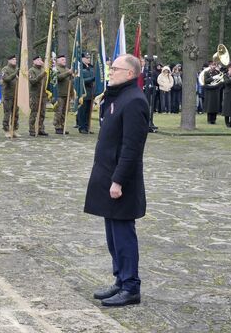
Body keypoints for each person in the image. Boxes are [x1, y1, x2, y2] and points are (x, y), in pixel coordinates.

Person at [84, 54, 148, 307]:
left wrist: (118, 181)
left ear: (130, 74)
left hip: (121, 181)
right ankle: (120, 280)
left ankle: (131, 286)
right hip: (107, 175)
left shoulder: (134, 101)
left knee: (123, 235)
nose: (111, 72)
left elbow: (132, 148)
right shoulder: (119, 97)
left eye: (116, 69)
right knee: (112, 234)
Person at [28, 56, 48, 137]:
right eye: (38, 60)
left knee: (42, 113)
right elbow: (33, 81)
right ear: (34, 61)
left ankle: (40, 128)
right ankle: (32, 129)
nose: (40, 61)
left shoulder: (43, 69)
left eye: (41, 60)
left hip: (43, 94)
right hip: (35, 95)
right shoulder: (31, 70)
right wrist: (42, 75)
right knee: (34, 112)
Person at [54, 54, 73, 134]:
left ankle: (62, 126)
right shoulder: (55, 69)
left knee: (65, 111)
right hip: (59, 94)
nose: (64, 61)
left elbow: (70, 81)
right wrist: (68, 73)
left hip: (67, 94)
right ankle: (57, 127)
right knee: (59, 111)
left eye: (65, 60)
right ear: (57, 61)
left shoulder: (67, 69)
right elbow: (58, 78)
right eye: (62, 60)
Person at [77, 53, 95, 134]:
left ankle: (87, 127)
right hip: (83, 93)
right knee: (82, 111)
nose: (88, 59)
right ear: (82, 59)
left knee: (88, 111)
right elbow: (80, 81)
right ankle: (82, 127)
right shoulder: (79, 68)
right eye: (87, 57)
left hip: (91, 92)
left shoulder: (91, 68)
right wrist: (92, 79)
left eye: (89, 57)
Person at [1, 55, 19, 138]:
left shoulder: (16, 69)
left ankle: (14, 129)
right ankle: (6, 130)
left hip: (15, 95)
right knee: (7, 113)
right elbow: (6, 79)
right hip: (8, 95)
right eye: (13, 59)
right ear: (9, 60)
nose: (15, 60)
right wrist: (15, 73)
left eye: (15, 59)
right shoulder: (5, 69)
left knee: (15, 114)